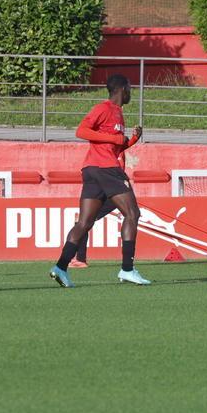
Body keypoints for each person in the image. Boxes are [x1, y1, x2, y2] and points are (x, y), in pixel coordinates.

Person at [50, 74, 145, 288]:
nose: (131, 92)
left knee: (85, 222)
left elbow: (114, 147)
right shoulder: (104, 108)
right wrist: (114, 138)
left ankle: (60, 267)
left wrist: (132, 140)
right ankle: (127, 269)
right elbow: (81, 131)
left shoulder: (118, 114)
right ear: (122, 89)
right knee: (132, 214)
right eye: (130, 88)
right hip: (106, 169)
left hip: (94, 169)